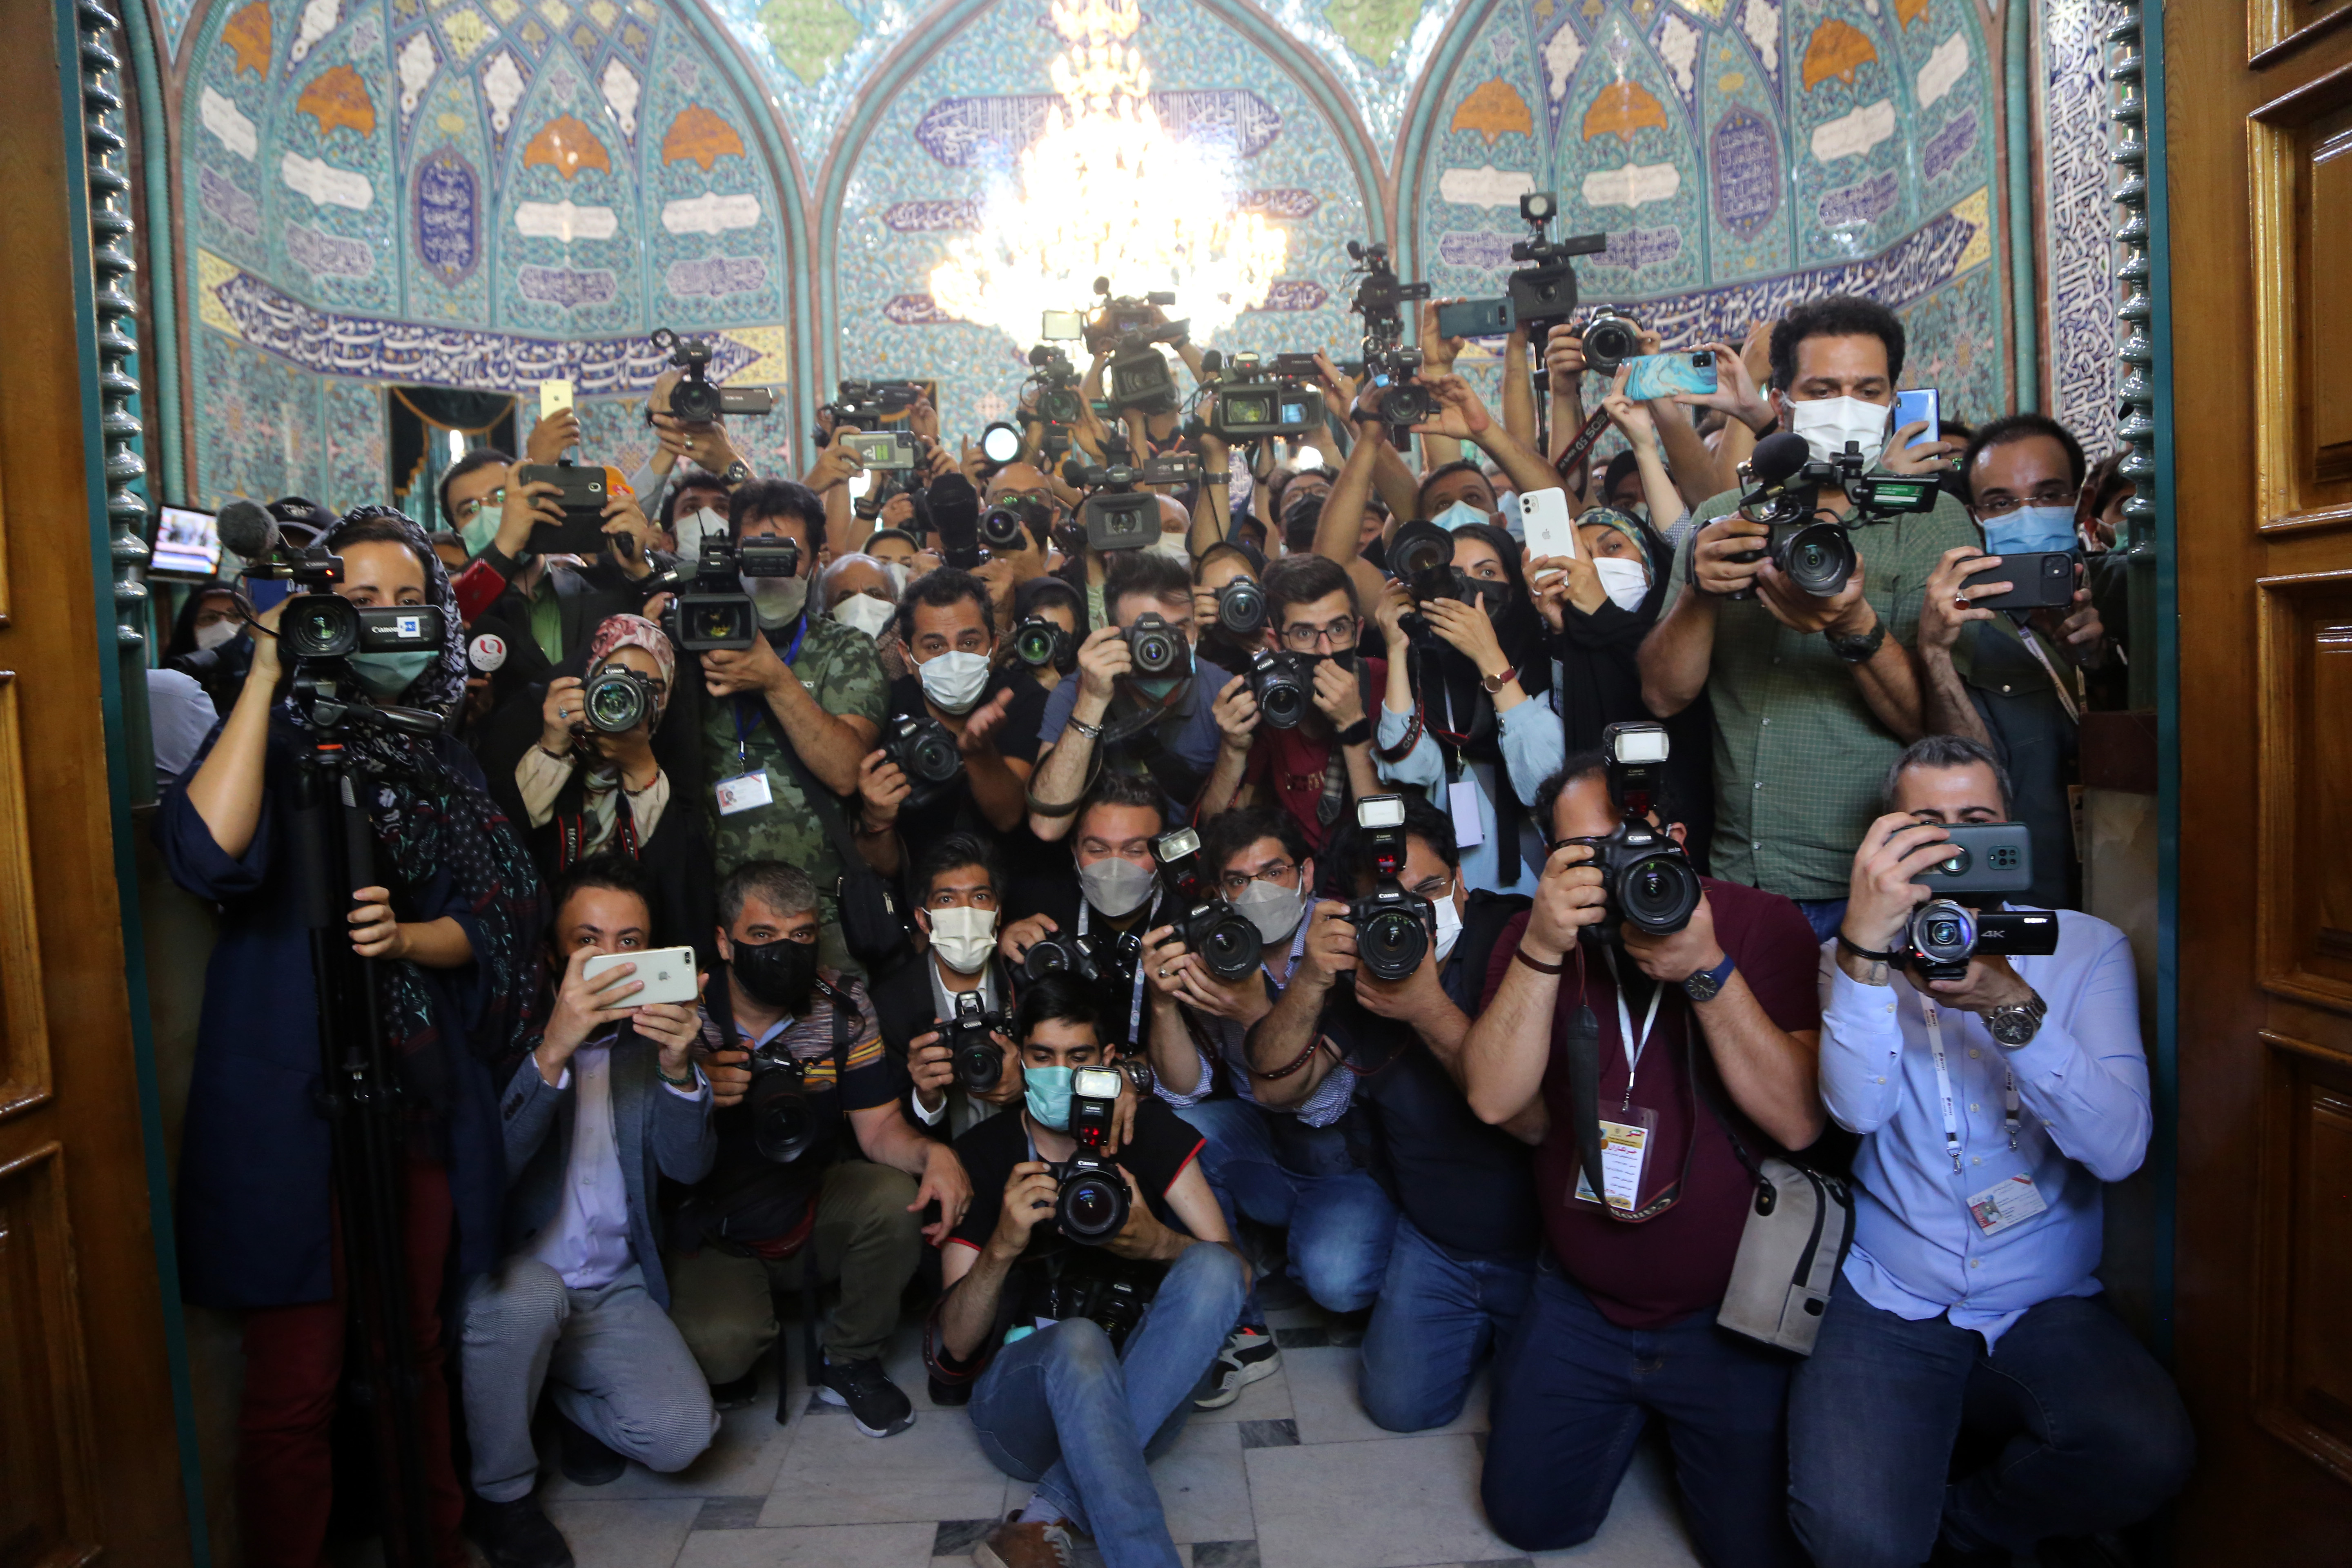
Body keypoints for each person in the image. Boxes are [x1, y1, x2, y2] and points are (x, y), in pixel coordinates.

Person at [160, 506, 543, 1568]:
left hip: (415, 1091)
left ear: (438, 618)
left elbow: (504, 913)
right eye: (355, 603)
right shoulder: (273, 736)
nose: (380, 623)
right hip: (287, 1095)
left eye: (404, 603)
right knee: (298, 1379)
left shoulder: (444, 754)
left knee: (411, 1345)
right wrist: (275, 666)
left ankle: (436, 1540)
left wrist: (415, 937)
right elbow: (205, 854)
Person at [1789, 735, 2192, 1566]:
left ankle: (1966, 1526)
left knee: (2147, 1452)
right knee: (1853, 1540)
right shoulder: (1851, 958)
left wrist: (2010, 1000)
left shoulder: (2083, 947)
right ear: (1884, 839)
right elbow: (1856, 1113)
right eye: (1924, 825)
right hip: (1894, 1287)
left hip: (2042, 1294)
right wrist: (1864, 954)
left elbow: (2119, 1151)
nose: (1952, 845)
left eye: (1976, 823)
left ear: (2013, 831)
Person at [1457, 753, 1826, 1564]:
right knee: (1529, 1520)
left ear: (1678, 839)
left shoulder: (1763, 925)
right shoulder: (1536, 936)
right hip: (1580, 1301)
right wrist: (1545, 950)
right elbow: (1491, 1099)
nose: (1606, 870)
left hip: (1728, 1314)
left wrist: (1706, 972)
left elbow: (1800, 1123)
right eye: (1578, 854)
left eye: (1623, 843)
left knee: (1753, 1550)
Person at [1638, 294, 1978, 939]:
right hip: (1744, 875)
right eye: (1823, 388)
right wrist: (1698, 595)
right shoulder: (1722, 514)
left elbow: (1941, 732)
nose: (1846, 404)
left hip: (1878, 878)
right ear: (1783, 399)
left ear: (1892, 399)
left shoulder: (1933, 520)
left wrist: (1852, 624)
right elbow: (1661, 694)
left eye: (1867, 388)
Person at [927, 976, 1248, 1568]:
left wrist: (1155, 1243)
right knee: (1076, 1340)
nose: (1058, 1073)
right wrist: (1000, 1245)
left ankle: (1045, 1516)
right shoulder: (982, 1154)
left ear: (1107, 1062)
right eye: (1042, 1057)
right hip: (1022, 1411)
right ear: (1019, 1057)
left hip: (1138, 1401)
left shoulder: (1145, 1132)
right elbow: (954, 1347)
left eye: (1077, 1058)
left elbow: (1234, 1277)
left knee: (1210, 1267)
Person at [459, 858, 717, 1568]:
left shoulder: (652, 1041)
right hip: (517, 1279)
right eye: (589, 941)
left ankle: (561, 1402)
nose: (612, 959)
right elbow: (489, 1177)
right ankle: (503, 1496)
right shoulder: (509, 1037)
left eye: (631, 941)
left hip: (614, 1288)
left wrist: (677, 1068)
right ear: (553, 956)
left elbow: (689, 1168)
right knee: (527, 1302)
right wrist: (555, 1048)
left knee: (683, 1438)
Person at [662, 861, 970, 1432]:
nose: (785, 951)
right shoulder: (684, 1015)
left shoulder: (843, 1005)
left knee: (892, 1197)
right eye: (762, 937)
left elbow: (877, 1129)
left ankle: (849, 1358)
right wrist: (689, 1080)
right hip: (716, 1222)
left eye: (800, 935)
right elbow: (657, 1155)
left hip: (810, 1196)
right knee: (721, 1352)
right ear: (725, 943)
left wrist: (934, 1154)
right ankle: (743, 1324)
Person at [1303, 797, 1540, 1432]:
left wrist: (1425, 1006)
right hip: (1435, 1239)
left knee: (1541, 1422)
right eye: (1388, 902)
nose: (1411, 915)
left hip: (1541, 1244)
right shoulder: (1365, 969)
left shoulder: (1515, 938)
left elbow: (1531, 1121)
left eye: (1430, 888)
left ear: (1461, 880)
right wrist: (1309, 978)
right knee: (1398, 1409)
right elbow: (1279, 1088)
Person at [1146, 806, 1396, 1392]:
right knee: (1175, 1132)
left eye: (1274, 871)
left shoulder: (1340, 941)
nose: (1257, 890)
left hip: (1346, 1158)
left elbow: (1320, 1105)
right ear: (1219, 892)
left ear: (1306, 873)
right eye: (1238, 880)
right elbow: (1186, 1090)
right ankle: (1243, 1325)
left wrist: (1257, 1011)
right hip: (1262, 1139)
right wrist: (1162, 1005)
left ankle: (1298, 1250)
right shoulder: (1216, 945)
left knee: (1335, 1282)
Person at [1915, 413, 2112, 911]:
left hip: (2136, 890)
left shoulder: (2127, 595)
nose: (2027, 515)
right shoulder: (1969, 622)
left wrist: (2102, 663)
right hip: (2029, 897)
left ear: (2082, 501)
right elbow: (1969, 765)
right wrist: (1935, 652)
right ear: (1975, 516)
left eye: (2048, 496)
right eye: (2001, 503)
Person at [695, 479, 888, 973]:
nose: (769, 569)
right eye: (753, 553)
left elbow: (848, 771)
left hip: (821, 916)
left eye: (787, 554)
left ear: (816, 562)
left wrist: (776, 680)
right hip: (716, 915)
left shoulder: (845, 649)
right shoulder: (692, 640)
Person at [1374, 519, 1563, 891]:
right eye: (1456, 574)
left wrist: (1489, 656)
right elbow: (1407, 771)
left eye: (1488, 572)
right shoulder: (1428, 668)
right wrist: (1397, 650)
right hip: (1453, 887)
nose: (1471, 585)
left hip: (1538, 884)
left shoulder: (1545, 661)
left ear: (1516, 585)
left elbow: (1545, 782)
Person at [1198, 554, 1418, 852]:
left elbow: (1389, 835)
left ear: (1359, 631)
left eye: (1339, 629)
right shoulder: (1268, 698)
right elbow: (1218, 834)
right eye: (1304, 634)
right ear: (1275, 642)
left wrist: (1352, 725)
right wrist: (1232, 749)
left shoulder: (1390, 684)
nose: (1325, 650)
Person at [854, 566, 1048, 880]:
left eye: (969, 643)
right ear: (906, 655)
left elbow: (1009, 817)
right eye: (935, 647)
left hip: (1014, 896)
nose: (954, 659)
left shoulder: (1021, 699)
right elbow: (880, 870)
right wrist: (876, 819)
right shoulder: (885, 708)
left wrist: (978, 751)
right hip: (918, 902)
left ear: (994, 646)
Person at [1028, 552, 1234, 837]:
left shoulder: (1222, 692)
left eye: (1178, 630)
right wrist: (1092, 700)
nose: (1162, 649)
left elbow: (1229, 832)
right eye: (1147, 634)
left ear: (1196, 629)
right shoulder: (1078, 692)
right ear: (1114, 635)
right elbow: (1047, 826)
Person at [998, 773, 1169, 1054]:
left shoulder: (1184, 920)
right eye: (1098, 850)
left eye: (1135, 850)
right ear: (1074, 850)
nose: (1115, 868)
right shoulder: (1040, 905)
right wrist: (1004, 945)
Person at [876, 833, 1026, 1138]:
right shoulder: (892, 1003)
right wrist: (927, 1099)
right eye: (947, 900)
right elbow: (886, 1127)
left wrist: (1028, 1081)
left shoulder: (1025, 983)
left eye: (980, 897)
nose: (966, 912)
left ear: (998, 913)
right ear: (923, 919)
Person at [820, 550, 900, 639]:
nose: (861, 604)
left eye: (874, 595)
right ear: (828, 616)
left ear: (896, 604)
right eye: (846, 598)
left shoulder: (912, 650)